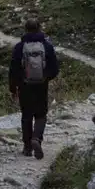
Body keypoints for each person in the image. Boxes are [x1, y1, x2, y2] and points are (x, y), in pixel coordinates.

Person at [9, 17, 60, 160]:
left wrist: (13, 88)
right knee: (41, 114)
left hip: (24, 86)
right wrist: (45, 78)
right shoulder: (46, 46)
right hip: (41, 86)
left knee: (26, 116)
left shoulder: (19, 47)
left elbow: (13, 70)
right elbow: (55, 69)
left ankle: (27, 147)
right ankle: (37, 138)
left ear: (25, 29)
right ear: (39, 28)